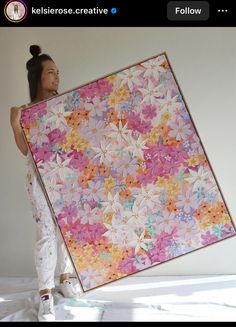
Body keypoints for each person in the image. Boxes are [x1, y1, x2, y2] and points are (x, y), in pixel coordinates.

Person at [10, 45, 83, 321]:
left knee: (67, 229)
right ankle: (45, 294)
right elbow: (24, 150)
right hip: (38, 177)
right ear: (37, 77)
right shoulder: (25, 111)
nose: (56, 77)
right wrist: (15, 125)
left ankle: (65, 278)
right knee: (45, 233)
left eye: (57, 72)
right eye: (50, 72)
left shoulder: (64, 105)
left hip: (66, 175)